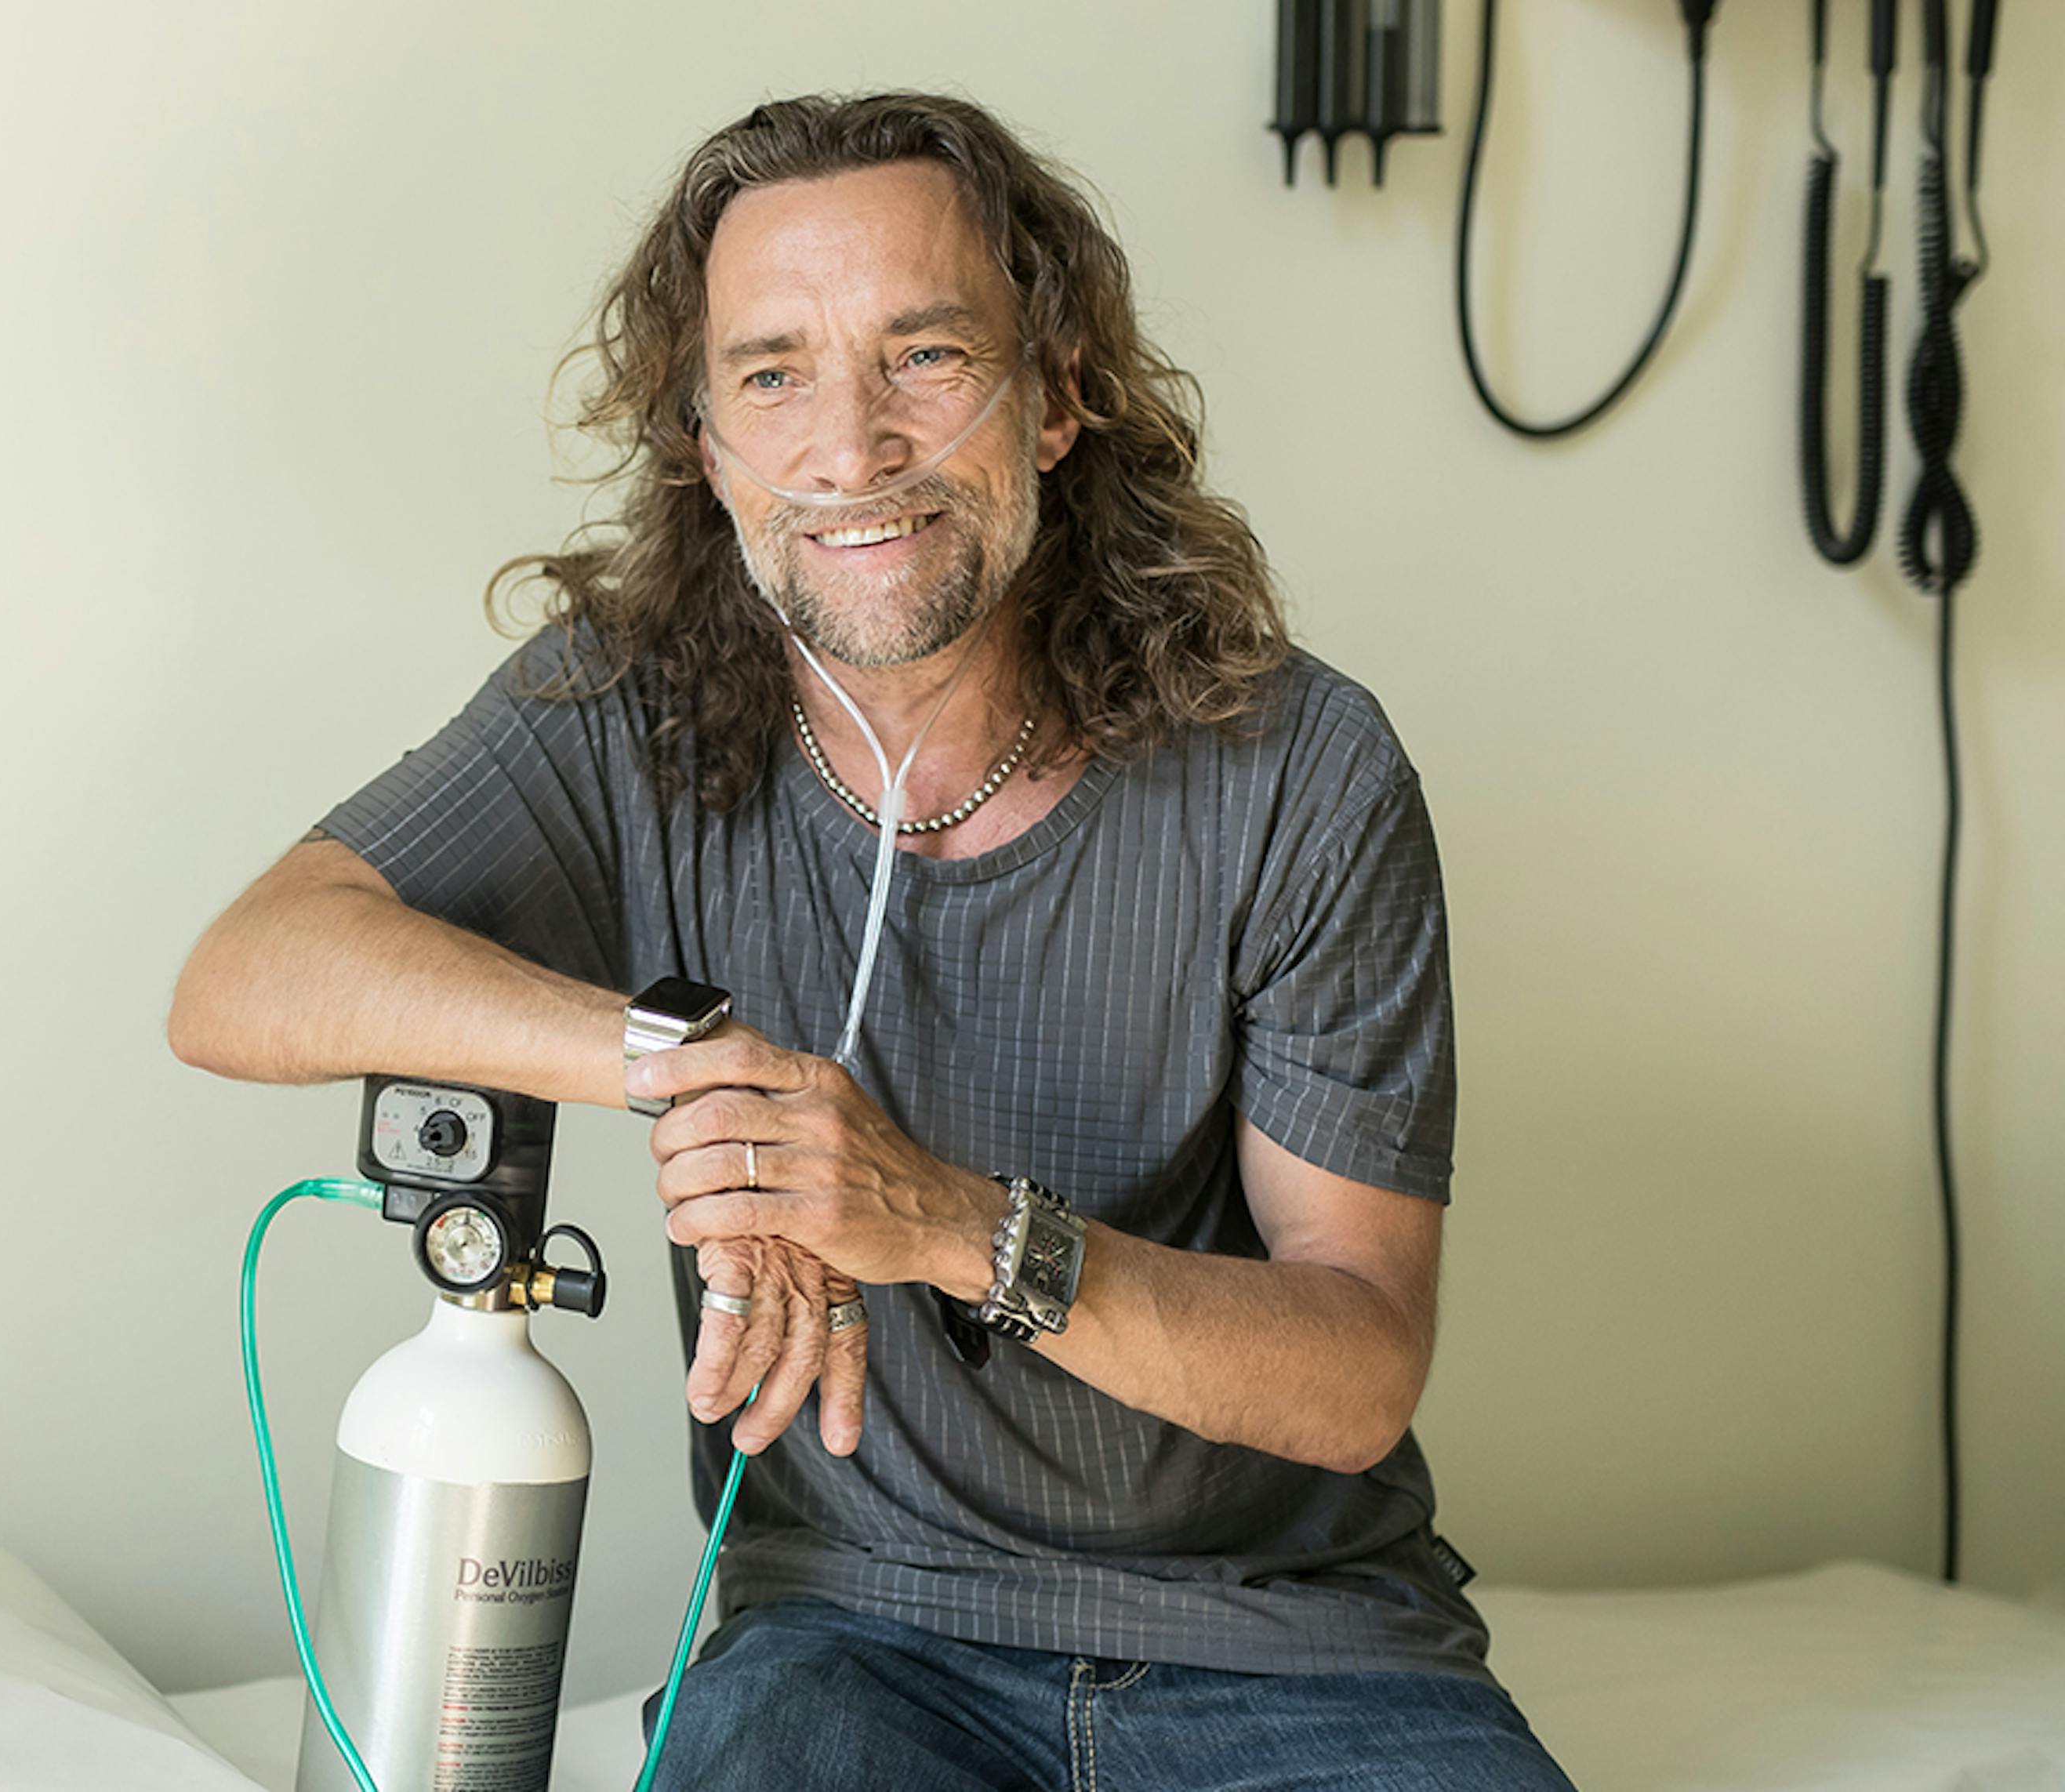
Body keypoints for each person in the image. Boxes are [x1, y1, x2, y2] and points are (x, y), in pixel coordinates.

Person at [170, 91, 1574, 1790]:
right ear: (705, 444)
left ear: (1058, 398)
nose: (849, 449)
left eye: (924, 357)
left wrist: (950, 1225)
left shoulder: (1297, 767)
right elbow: (247, 974)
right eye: (772, 376)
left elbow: (1356, 1370)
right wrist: (700, 1074)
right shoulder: (629, 713)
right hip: (851, 1640)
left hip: (1294, 1647)